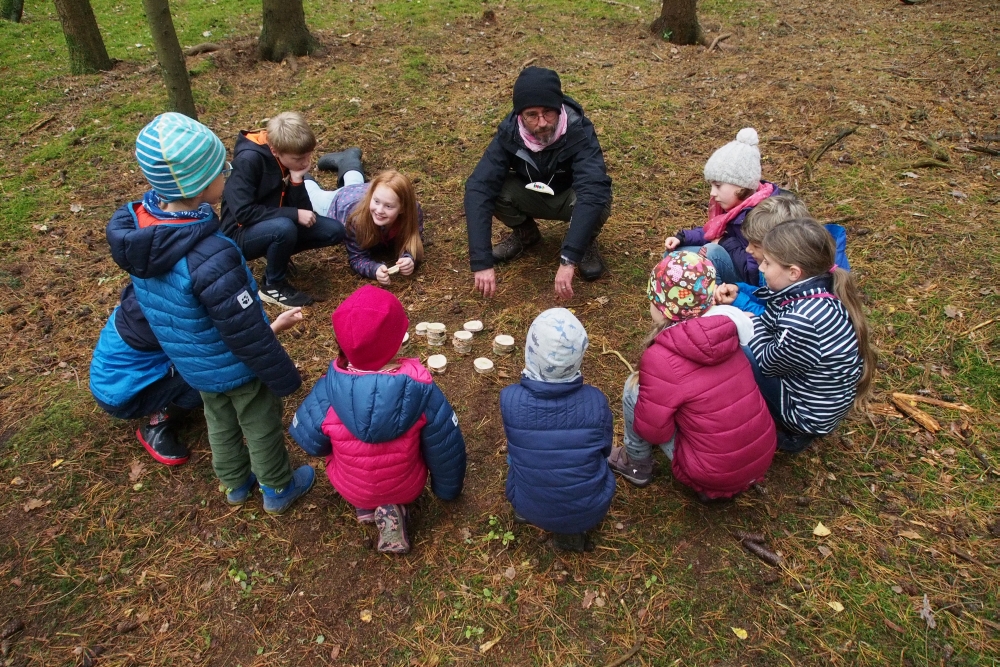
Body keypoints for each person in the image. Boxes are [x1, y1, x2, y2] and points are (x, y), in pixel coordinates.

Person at [107, 112, 315, 514]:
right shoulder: (210, 255)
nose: (230, 172)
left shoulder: (143, 235)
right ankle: (277, 487)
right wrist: (283, 375)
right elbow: (246, 332)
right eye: (223, 168)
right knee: (259, 420)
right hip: (233, 362)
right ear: (198, 184)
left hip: (192, 362)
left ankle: (235, 484)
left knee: (218, 419)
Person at [289, 286, 467, 554]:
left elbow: (311, 442)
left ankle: (366, 504)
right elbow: (446, 450)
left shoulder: (327, 391)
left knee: (345, 456)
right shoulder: (421, 390)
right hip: (407, 486)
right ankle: (395, 508)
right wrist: (448, 492)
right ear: (396, 340)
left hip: (351, 486)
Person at [608, 252, 776, 500]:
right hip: (760, 455)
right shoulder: (729, 330)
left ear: (663, 307)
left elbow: (656, 433)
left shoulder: (660, 358)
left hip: (712, 472)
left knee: (634, 388)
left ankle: (636, 463)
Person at [464, 66, 613, 300]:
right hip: (532, 193)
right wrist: (481, 261)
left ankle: (583, 243)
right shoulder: (509, 133)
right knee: (493, 189)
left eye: (548, 113)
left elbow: (593, 189)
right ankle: (526, 234)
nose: (541, 122)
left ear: (559, 108)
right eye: (532, 115)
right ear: (520, 115)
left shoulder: (578, 130)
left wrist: (569, 258)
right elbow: (479, 188)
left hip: (569, 197)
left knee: (599, 198)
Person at [732, 219, 875, 453]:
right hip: (813, 397)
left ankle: (787, 434)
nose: (760, 268)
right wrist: (754, 319)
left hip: (805, 416)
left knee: (741, 349)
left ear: (794, 272)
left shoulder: (804, 319)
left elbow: (768, 364)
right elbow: (771, 320)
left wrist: (746, 322)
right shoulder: (809, 292)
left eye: (767, 263)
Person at [501, 308, 615, 552]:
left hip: (528, 504)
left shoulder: (510, 399)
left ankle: (528, 509)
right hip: (590, 507)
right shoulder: (596, 401)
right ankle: (572, 531)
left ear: (530, 352)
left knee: (518, 453)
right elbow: (605, 449)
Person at [220, 111, 346, 308]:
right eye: (299, 158)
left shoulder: (289, 158)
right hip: (237, 234)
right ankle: (272, 285)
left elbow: (305, 212)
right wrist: (293, 214)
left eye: (308, 155)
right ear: (275, 150)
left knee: (334, 231)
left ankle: (274, 251)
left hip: (274, 222)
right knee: (284, 227)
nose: (305, 162)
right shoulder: (248, 160)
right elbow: (243, 212)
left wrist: (297, 180)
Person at [89, 284, 201, 466]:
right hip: (123, 398)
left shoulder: (145, 293)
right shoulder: (164, 321)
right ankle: (158, 426)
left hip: (109, 383)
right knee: (208, 372)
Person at [664, 128, 780, 286]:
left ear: (741, 186)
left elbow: (753, 272)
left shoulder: (761, 217)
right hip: (732, 256)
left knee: (713, 253)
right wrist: (683, 237)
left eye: (718, 185)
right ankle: (672, 296)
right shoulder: (736, 208)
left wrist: (725, 242)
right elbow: (713, 232)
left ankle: (711, 302)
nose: (713, 193)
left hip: (748, 281)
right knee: (675, 254)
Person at [304, 169, 424, 285]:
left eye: (388, 206)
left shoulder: (412, 212)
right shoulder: (356, 221)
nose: (379, 210)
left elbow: (414, 239)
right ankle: (304, 176)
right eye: (376, 202)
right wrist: (374, 269)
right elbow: (357, 258)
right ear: (371, 195)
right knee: (313, 195)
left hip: (357, 192)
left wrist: (410, 258)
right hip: (340, 200)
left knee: (354, 184)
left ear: (403, 208)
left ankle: (348, 159)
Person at [714, 192, 812, 316]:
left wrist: (738, 301)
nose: (748, 250)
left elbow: (772, 319)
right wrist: (739, 289)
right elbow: (766, 295)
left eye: (756, 246)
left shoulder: (795, 282)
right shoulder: (770, 265)